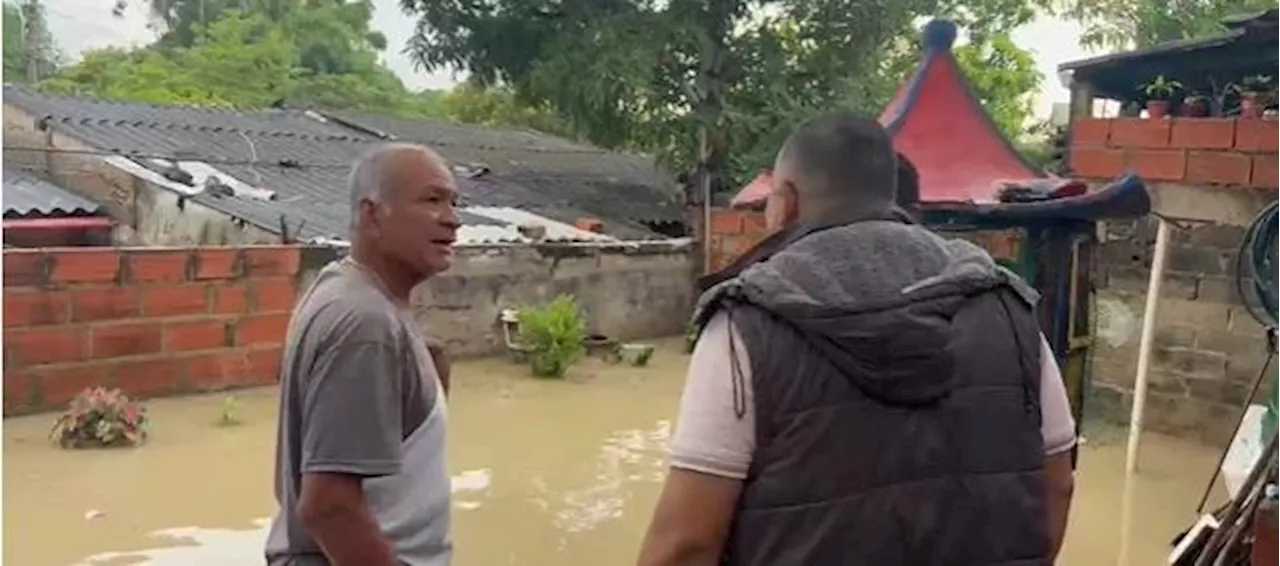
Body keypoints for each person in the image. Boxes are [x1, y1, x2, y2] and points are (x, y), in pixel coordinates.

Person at [637, 113, 1076, 566]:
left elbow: (684, 546)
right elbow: (1057, 486)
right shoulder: (1005, 305)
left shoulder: (745, 322)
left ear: (785, 202)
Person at [264, 143, 461, 566]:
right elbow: (329, 506)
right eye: (432, 200)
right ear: (373, 216)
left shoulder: (346, 290)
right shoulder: (365, 322)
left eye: (453, 202)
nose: (453, 219)